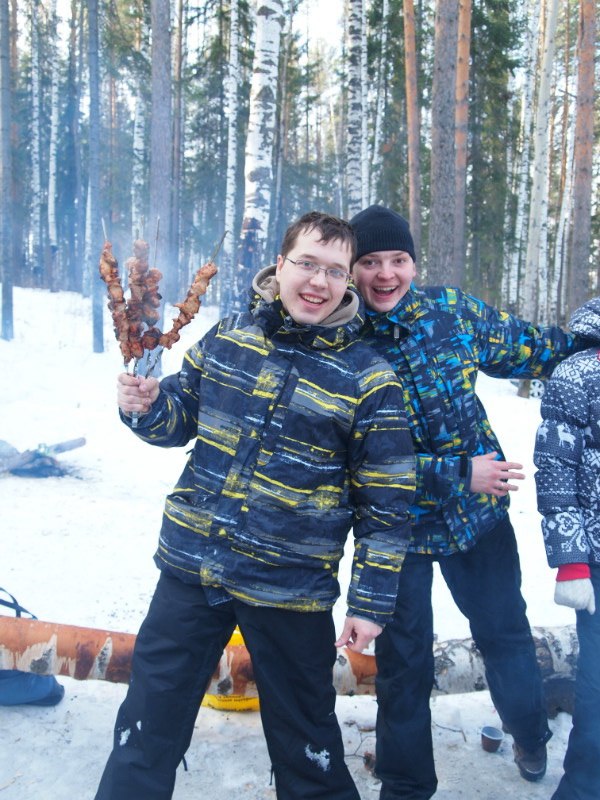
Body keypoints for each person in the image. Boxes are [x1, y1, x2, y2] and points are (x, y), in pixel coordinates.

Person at [94, 211, 415, 800]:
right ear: (281, 264)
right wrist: (145, 406)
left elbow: (387, 506)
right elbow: (178, 418)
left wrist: (370, 602)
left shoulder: (369, 379)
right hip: (194, 566)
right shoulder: (230, 337)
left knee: (309, 750)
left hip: (290, 587)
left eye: (335, 271)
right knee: (144, 728)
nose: (318, 282)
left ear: (348, 282)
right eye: (307, 264)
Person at [348, 204, 584, 799]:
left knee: (504, 632)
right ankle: (406, 786)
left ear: (413, 263)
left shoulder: (450, 312)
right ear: (350, 269)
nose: (385, 274)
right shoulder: (342, 341)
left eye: (398, 260)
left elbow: (532, 347)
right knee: (404, 663)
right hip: (395, 531)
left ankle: (530, 733)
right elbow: (361, 463)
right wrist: (461, 473)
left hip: (478, 520)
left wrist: (589, 345)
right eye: (370, 262)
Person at [533, 296, 600, 800]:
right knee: (598, 685)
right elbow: (556, 469)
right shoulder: (579, 372)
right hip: (596, 557)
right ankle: (583, 786)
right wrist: (572, 561)